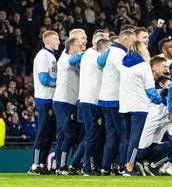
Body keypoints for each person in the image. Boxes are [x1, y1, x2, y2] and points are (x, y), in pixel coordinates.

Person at [119, 40, 165, 176]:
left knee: (126, 138)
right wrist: (160, 100)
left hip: (124, 105)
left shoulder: (122, 64)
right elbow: (151, 91)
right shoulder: (144, 66)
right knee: (135, 139)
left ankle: (123, 166)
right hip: (139, 106)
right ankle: (129, 168)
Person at [97, 29, 136, 174]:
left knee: (112, 135)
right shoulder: (120, 53)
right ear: (125, 40)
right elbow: (126, 72)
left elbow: (99, 62)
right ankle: (123, 167)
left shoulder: (110, 50)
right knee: (124, 135)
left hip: (105, 98)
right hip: (115, 99)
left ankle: (105, 167)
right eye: (132, 41)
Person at [77, 35, 110, 176]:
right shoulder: (92, 54)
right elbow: (100, 61)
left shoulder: (90, 54)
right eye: (107, 49)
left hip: (92, 100)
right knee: (91, 136)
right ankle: (87, 167)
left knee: (95, 135)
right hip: (89, 101)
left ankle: (93, 166)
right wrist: (113, 50)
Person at [28, 30, 60, 175]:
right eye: (56, 39)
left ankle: (41, 163)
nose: (59, 41)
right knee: (42, 133)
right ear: (47, 41)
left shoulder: (51, 56)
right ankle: (34, 165)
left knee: (48, 134)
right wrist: (60, 82)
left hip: (51, 99)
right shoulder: (43, 56)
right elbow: (44, 79)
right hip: (44, 99)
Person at [52, 36, 84, 174]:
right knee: (69, 135)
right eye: (78, 45)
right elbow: (72, 59)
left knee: (71, 135)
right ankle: (61, 166)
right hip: (62, 101)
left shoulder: (74, 60)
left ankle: (63, 165)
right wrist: (87, 52)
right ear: (71, 47)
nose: (80, 47)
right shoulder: (64, 58)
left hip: (70, 102)